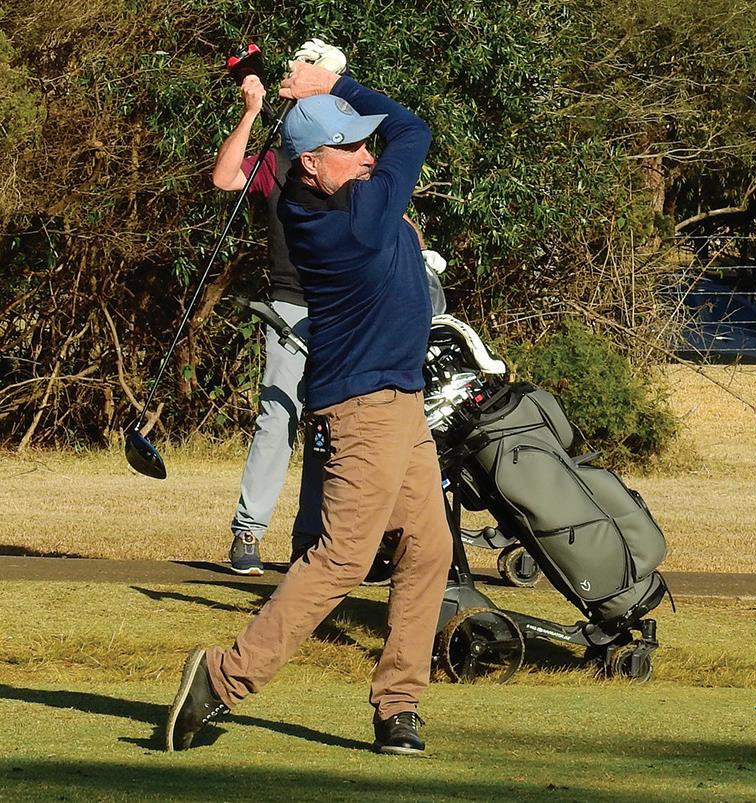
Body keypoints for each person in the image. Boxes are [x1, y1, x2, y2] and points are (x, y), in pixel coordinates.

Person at [165, 59, 453, 756]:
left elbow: (392, 138)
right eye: (348, 147)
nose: (366, 156)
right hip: (364, 410)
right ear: (310, 164)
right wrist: (336, 86)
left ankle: (398, 706)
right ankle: (222, 677)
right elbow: (414, 129)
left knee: (430, 546)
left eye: (363, 144)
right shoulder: (356, 217)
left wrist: (328, 102)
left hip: (398, 403)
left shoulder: (322, 197)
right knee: (342, 559)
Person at [213, 40, 347, 574]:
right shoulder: (278, 159)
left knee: (329, 427)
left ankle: (310, 540)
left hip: (341, 310)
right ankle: (248, 531)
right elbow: (225, 177)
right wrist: (250, 113)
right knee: (279, 417)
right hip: (290, 304)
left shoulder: (353, 156)